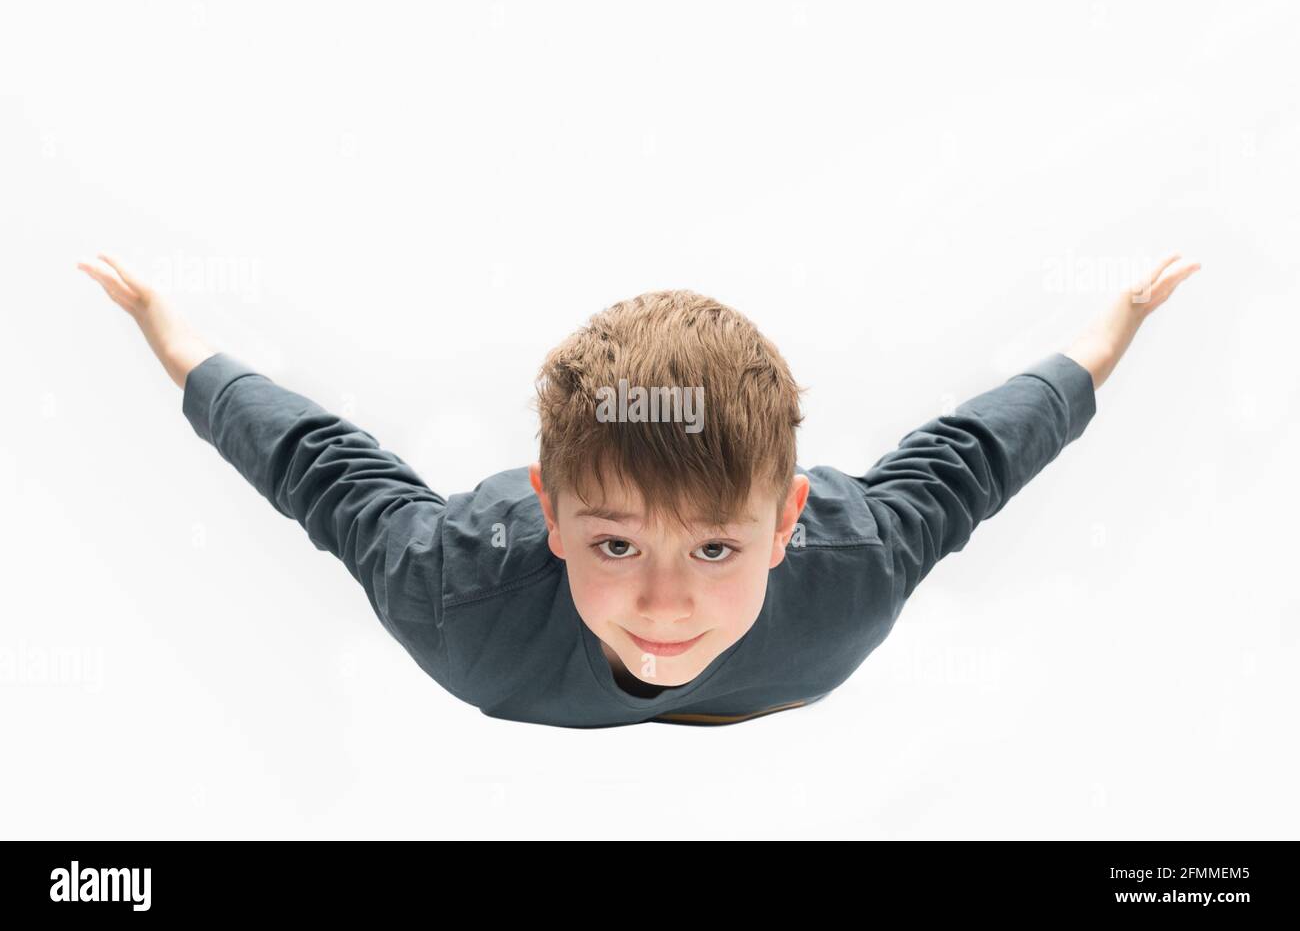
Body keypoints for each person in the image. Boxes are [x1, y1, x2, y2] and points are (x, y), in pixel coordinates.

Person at [77, 252, 1201, 728]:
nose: (664, 608)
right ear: (552, 517)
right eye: (616, 544)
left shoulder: (853, 568)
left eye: (713, 547)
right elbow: (318, 463)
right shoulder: (455, 595)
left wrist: (1111, 331)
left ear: (784, 525)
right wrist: (175, 340)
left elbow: (977, 453)